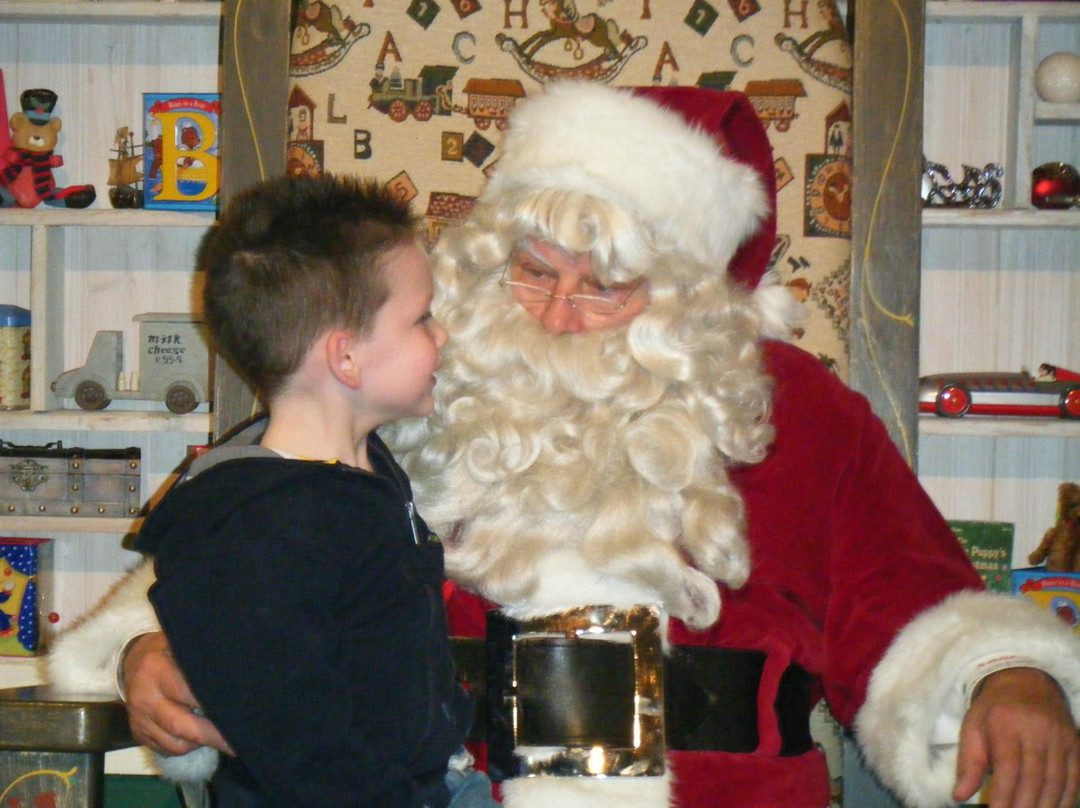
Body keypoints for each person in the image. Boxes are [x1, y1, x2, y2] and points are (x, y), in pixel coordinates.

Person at [49, 83, 1080, 808]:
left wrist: (1007, 674)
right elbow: (254, 531)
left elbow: (912, 601)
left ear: (686, 297)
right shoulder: (416, 378)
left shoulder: (794, 410)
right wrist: (148, 648)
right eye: (533, 273)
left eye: (605, 286)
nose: (556, 313)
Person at [66, 173, 496, 808]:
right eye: (422, 318)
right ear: (346, 359)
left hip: (437, 782)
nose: (442, 336)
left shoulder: (366, 473)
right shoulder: (259, 526)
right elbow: (300, 742)